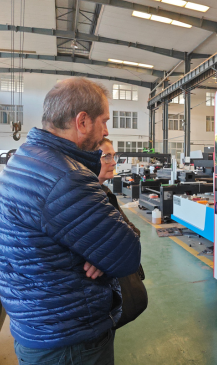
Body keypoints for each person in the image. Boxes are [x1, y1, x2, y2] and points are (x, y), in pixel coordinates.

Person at [0, 78, 141, 365]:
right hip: (70, 342)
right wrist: (104, 253)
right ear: (82, 121)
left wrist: (101, 251)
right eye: (104, 121)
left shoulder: (26, 159)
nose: (107, 131)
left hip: (37, 326)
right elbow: (126, 255)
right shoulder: (66, 176)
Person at [98, 138, 147, 329]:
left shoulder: (105, 193)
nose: (113, 162)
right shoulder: (89, 198)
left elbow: (133, 232)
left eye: (114, 156)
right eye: (106, 156)